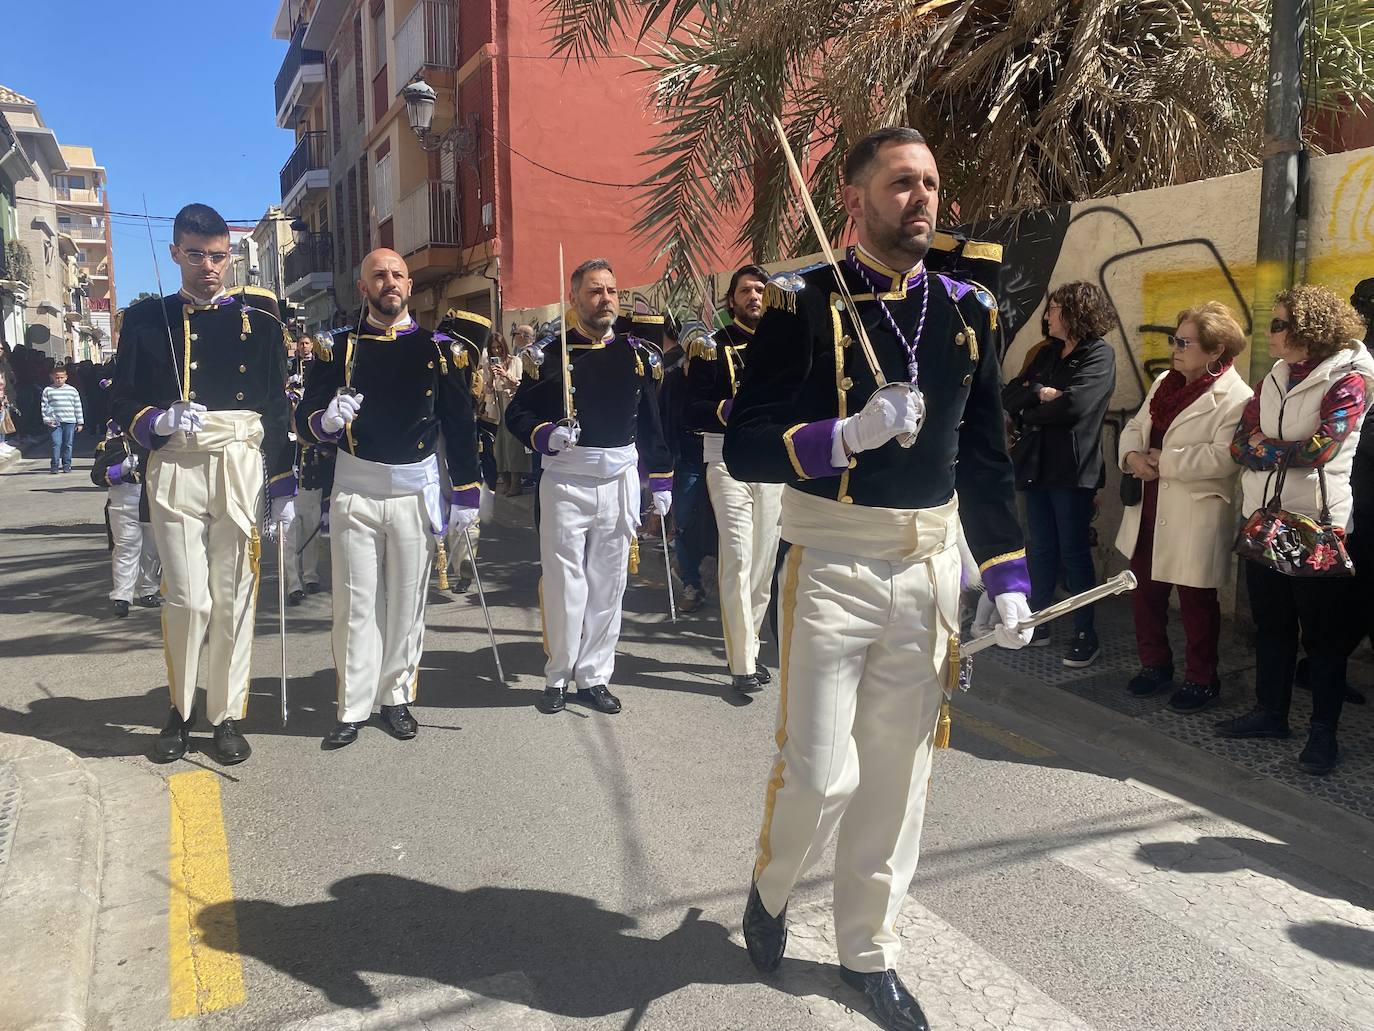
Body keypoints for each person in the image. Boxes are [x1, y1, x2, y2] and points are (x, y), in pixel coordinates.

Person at [724, 127, 1031, 1031]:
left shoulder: (970, 310)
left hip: (928, 569)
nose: (921, 199)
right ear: (854, 196)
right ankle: (770, 887)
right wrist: (843, 437)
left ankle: (869, 948)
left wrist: (1005, 570)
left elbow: (986, 453)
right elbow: (746, 443)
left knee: (898, 777)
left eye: (931, 182)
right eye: (902, 182)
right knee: (820, 772)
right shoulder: (797, 303)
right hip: (830, 562)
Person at [111, 203, 296, 766]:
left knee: (233, 597)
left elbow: (275, 406)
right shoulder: (147, 321)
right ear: (175, 254)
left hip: (238, 462)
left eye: (218, 255)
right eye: (196, 254)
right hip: (177, 463)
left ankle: (226, 714)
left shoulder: (262, 324)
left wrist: (284, 482)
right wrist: (155, 421)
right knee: (187, 599)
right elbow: (120, 397)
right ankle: (179, 707)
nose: (209, 267)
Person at [296, 249, 482, 749]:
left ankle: (396, 697)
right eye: (379, 275)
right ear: (363, 287)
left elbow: (460, 424)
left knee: (406, 603)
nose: (390, 282)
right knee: (356, 604)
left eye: (398, 274)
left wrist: (465, 491)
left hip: (413, 491)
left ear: (408, 284)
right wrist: (325, 421)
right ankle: (353, 705)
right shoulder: (336, 348)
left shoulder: (439, 350)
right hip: (356, 486)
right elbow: (305, 418)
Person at [1217, 284, 1374, 775]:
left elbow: (1322, 450)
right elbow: (1240, 444)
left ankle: (1323, 736)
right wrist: (1274, 447)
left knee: (1323, 637)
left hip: (1318, 524)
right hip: (1265, 516)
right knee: (1272, 625)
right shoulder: (1276, 376)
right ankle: (1270, 713)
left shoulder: (1351, 378)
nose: (1270, 333)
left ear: (1310, 329)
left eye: (1279, 324)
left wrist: (1269, 446)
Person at [505, 258, 673, 716]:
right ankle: (559, 673)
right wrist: (544, 435)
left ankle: (594, 675)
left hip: (619, 478)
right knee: (564, 583)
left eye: (612, 292)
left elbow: (652, 423)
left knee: (609, 584)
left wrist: (660, 477)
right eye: (595, 291)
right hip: (567, 477)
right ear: (575, 297)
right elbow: (515, 415)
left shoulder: (638, 354)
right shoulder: (550, 353)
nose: (605, 300)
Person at [1115, 302, 1252, 711]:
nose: (1175, 348)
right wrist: (1132, 457)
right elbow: (1137, 427)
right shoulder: (1165, 381)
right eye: (1175, 339)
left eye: (1185, 342)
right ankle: (1154, 664)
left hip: (1195, 510)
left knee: (1196, 604)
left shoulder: (1236, 396)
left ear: (1214, 351)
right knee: (1145, 593)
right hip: (1150, 502)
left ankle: (1201, 678)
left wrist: (1164, 461)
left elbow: (1224, 457)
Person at [1001, 282, 1117, 666]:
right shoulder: (1047, 353)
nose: (1047, 316)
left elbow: (1075, 407)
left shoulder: (1098, 355)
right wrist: (1039, 393)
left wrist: (1032, 406)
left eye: (1054, 309)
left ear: (1076, 313)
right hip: (1035, 466)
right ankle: (1040, 622)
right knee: (1040, 548)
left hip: (1072, 472)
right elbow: (1011, 395)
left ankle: (1086, 632)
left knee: (1074, 552)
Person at [684, 264, 782, 692]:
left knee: (763, 565)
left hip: (775, 463)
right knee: (739, 558)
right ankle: (741, 664)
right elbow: (690, 408)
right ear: (731, 299)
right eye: (746, 290)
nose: (755, 297)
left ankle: (752, 648)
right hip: (727, 460)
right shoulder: (712, 347)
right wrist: (726, 409)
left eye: (761, 290)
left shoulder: (785, 345)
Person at [659, 320, 713, 612]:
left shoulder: (719, 374)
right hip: (687, 458)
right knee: (684, 520)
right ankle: (692, 584)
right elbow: (666, 423)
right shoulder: (673, 378)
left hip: (721, 456)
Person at [91, 420, 161, 617]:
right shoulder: (111, 446)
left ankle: (148, 590)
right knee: (126, 550)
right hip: (123, 503)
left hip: (151, 502)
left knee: (151, 551)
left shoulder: (157, 445)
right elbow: (97, 476)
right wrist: (119, 470)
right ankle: (122, 596)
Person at [493, 326, 531, 496]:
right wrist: (490, 379)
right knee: (499, 446)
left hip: (511, 403)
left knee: (513, 445)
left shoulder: (515, 360)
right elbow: (487, 389)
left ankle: (516, 484)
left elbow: (521, 383)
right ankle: (506, 483)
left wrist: (506, 375)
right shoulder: (490, 364)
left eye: (499, 347)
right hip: (496, 406)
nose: (496, 350)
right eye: (493, 348)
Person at [41, 365, 84, 473]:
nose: (59, 380)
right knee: (56, 443)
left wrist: (80, 422)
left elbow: (77, 406)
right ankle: (54, 465)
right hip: (54, 422)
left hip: (70, 421)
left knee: (68, 444)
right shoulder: (48, 390)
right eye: (56, 378)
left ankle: (66, 465)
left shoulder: (72, 390)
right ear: (52, 377)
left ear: (66, 377)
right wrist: (47, 419)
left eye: (61, 377)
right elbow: (44, 406)